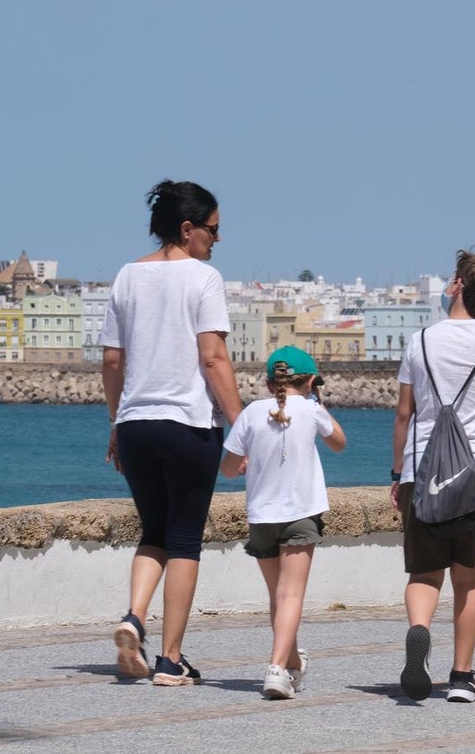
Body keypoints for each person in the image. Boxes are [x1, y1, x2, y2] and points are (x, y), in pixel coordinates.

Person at [101, 179, 243, 686]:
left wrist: (117, 422)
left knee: (153, 531)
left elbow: (113, 360)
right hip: (187, 424)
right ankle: (169, 659)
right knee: (184, 539)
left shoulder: (126, 276)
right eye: (213, 230)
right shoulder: (204, 278)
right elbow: (213, 357)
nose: (217, 240)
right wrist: (240, 425)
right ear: (188, 229)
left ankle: (133, 617)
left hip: (136, 424)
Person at [390, 250, 475, 703]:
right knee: (468, 578)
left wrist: (397, 473)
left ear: (457, 286)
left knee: (425, 574)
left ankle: (420, 631)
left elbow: (404, 415)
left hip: (420, 471)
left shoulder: (419, 341)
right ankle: (462, 677)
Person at [220, 346, 346, 699]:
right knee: (290, 595)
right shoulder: (311, 408)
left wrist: (245, 460)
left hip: (262, 517)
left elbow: (228, 469)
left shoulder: (251, 412)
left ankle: (292, 660)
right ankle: (277, 668)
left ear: (267, 381)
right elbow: (339, 442)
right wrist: (319, 402)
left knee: (279, 595)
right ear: (309, 382)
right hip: (300, 515)